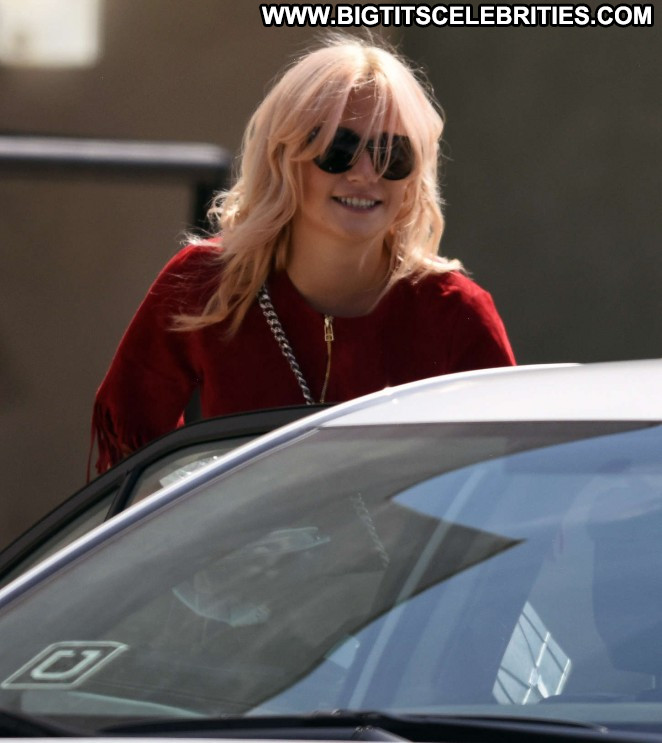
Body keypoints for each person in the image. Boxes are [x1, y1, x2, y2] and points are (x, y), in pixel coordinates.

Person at [92, 35, 516, 474]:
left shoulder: (455, 312)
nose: (366, 173)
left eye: (393, 154)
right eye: (339, 149)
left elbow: (508, 469)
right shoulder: (208, 282)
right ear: (284, 158)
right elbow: (129, 452)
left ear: (412, 179)